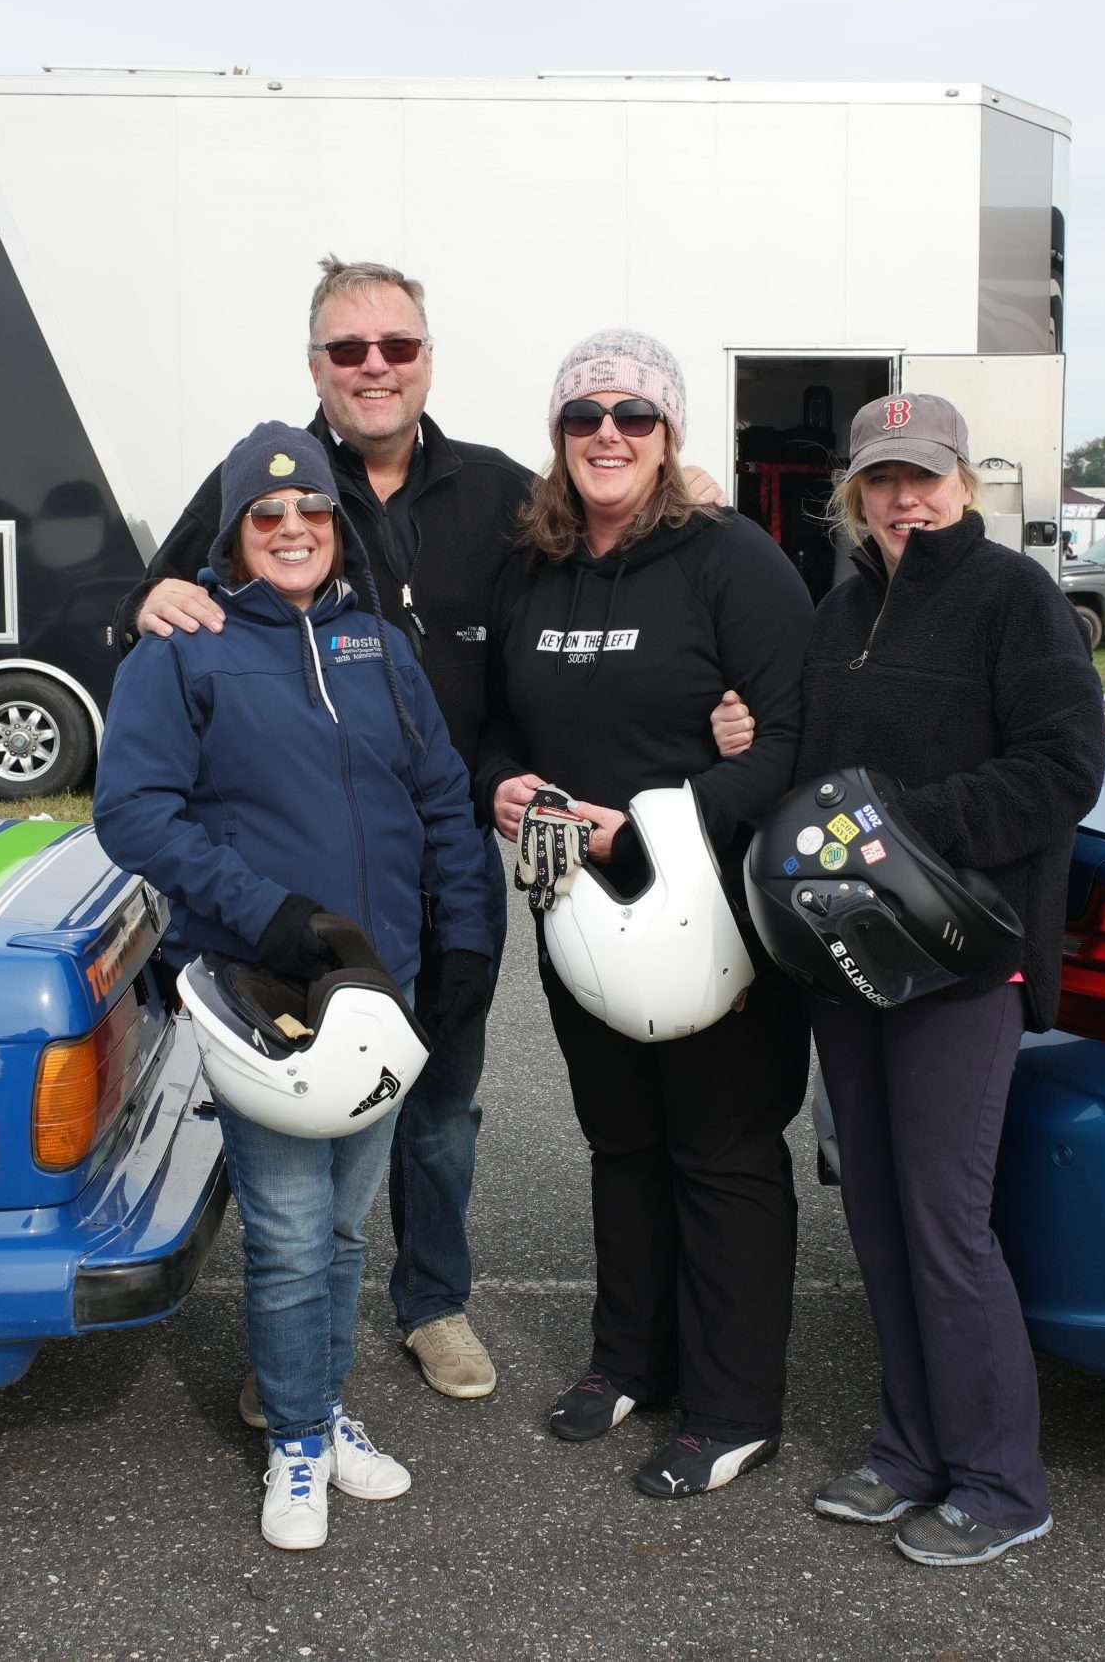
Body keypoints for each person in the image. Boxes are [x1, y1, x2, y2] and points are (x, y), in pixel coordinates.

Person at [115, 258, 746, 1409]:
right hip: (286, 886)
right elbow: (163, 615)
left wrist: (684, 500)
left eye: (395, 347)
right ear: (316, 365)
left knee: (440, 1105)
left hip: (445, 859)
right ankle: (301, 1351)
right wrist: (145, 604)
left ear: (425, 359)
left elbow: (607, 564)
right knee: (303, 1118)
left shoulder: (503, 494)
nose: (373, 367)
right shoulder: (270, 479)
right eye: (347, 350)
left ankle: (432, 1303)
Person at [92, 422, 499, 1551]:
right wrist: (268, 909)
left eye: (310, 512)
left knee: (347, 1230)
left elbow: (441, 805)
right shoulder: (181, 650)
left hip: (385, 992)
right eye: (265, 517)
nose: (291, 529)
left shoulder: (380, 647)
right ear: (231, 537)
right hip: (265, 987)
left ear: (334, 526)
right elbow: (130, 812)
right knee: (283, 1230)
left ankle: (312, 1407)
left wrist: (460, 943)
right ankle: (297, 1444)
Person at [475, 329, 814, 1500]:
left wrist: (660, 823)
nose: (606, 435)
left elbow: (791, 738)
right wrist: (501, 785)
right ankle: (630, 1357)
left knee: (719, 1152)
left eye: (632, 416)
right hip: (573, 900)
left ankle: (731, 1406)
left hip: (712, 911)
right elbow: (496, 720)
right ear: (557, 440)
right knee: (619, 1141)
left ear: (669, 435)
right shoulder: (533, 566)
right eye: (582, 418)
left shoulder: (730, 559)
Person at [792, 394, 1104, 1567]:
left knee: (941, 1220)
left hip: (959, 954)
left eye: (923, 477)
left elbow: (1064, 767)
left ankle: (999, 1480)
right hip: (852, 954)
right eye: (881, 480)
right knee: (873, 1212)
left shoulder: (1014, 598)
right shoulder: (841, 608)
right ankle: (908, 1450)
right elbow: (812, 770)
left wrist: (902, 829)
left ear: (965, 482)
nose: (902, 498)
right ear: (855, 492)